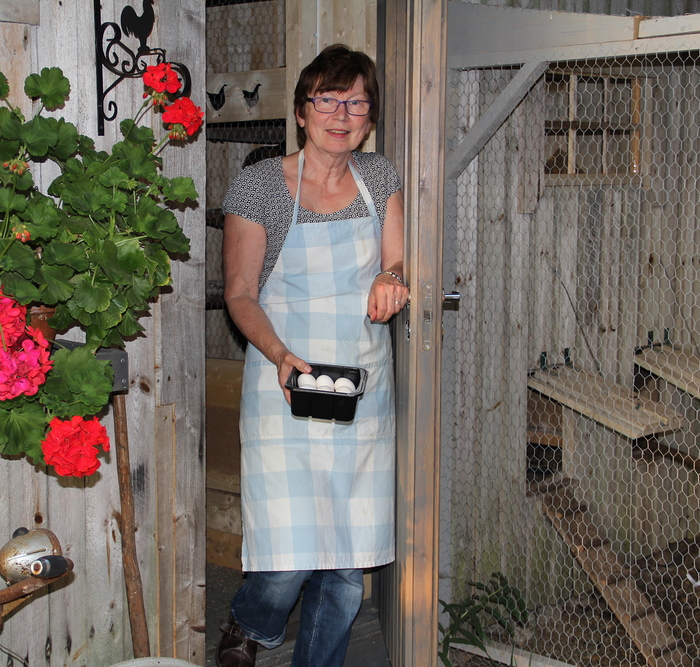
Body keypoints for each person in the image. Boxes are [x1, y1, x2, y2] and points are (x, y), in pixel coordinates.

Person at [218, 44, 409, 667]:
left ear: (370, 117)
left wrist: (393, 278)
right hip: (284, 384)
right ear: (302, 111)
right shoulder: (259, 186)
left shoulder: (379, 179)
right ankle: (250, 620)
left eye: (356, 103)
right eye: (327, 100)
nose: (341, 115)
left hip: (358, 386)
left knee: (346, 565)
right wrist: (277, 353)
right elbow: (240, 293)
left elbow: (395, 260)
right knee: (287, 560)